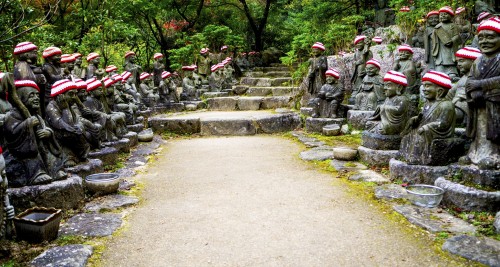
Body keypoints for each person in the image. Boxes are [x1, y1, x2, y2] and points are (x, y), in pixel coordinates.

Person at [4, 80, 66, 186]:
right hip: (23, 152)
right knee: (31, 157)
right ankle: (37, 174)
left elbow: (46, 128)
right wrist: (28, 124)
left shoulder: (37, 115)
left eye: (37, 95)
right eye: (31, 95)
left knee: (49, 154)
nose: (36, 98)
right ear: (20, 97)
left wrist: (48, 133)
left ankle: (54, 171)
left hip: (41, 150)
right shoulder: (11, 115)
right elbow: (11, 135)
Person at [462, 17, 500, 170]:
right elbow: (469, 81)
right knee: (480, 133)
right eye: (481, 38)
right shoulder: (477, 61)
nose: (485, 41)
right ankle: (475, 154)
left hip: (495, 106)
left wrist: (481, 85)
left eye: (491, 37)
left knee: (494, 133)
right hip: (479, 106)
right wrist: (472, 93)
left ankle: (495, 155)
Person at [400, 71, 455, 165]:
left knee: (420, 135)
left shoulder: (446, 105)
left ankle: (416, 157)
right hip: (424, 130)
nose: (424, 89)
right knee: (409, 134)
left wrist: (426, 127)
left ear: (440, 91)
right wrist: (416, 119)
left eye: (428, 86)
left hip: (436, 133)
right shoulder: (428, 104)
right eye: (424, 86)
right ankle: (404, 154)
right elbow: (424, 118)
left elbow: (443, 123)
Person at [446, 47, 482, 125]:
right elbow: (450, 93)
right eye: (457, 62)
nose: (458, 64)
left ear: (473, 61)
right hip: (455, 105)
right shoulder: (463, 78)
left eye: (461, 61)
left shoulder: (478, 76)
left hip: (466, 107)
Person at [368, 71, 410, 135]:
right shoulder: (387, 99)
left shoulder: (403, 99)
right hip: (386, 122)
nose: (384, 88)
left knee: (384, 128)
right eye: (384, 85)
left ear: (399, 87)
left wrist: (384, 107)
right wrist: (382, 107)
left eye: (388, 85)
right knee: (369, 124)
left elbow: (398, 111)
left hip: (395, 125)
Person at [431, 6, 461, 81]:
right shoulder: (437, 27)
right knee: (440, 61)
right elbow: (433, 37)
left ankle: (452, 72)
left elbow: (457, 36)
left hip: (450, 48)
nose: (443, 16)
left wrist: (452, 40)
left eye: (445, 14)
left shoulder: (453, 26)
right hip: (440, 47)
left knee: (450, 59)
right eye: (441, 15)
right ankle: (439, 71)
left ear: (450, 16)